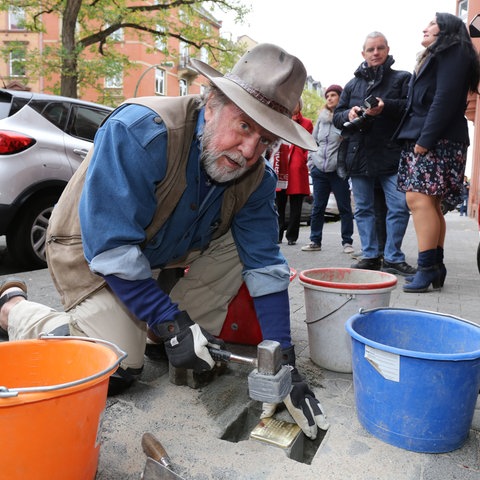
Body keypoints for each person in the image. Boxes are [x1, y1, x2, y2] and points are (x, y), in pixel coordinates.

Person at [0, 43, 329, 440]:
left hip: (162, 254)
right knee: (115, 370)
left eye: (266, 141)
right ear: (211, 103)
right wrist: (172, 324)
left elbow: (264, 262)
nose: (249, 151)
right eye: (244, 126)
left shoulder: (256, 177)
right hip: (91, 250)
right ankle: (13, 308)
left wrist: (285, 362)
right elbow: (113, 247)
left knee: (239, 254)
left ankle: (161, 327)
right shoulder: (141, 130)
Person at [395, 13, 480, 292]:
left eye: (432, 24)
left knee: (418, 199)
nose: (425, 27)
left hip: (437, 139)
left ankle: (427, 267)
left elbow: (444, 99)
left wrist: (425, 140)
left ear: (447, 30)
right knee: (428, 203)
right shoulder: (443, 54)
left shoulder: (454, 51)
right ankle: (434, 266)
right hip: (433, 137)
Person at [333, 31, 416, 277]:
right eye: (371, 49)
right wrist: (348, 114)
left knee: (399, 207)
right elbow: (338, 116)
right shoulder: (351, 84)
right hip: (358, 154)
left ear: (387, 50)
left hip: (391, 153)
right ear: (363, 53)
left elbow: (410, 108)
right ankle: (370, 255)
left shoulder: (402, 78)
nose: (376, 53)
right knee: (363, 209)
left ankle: (392, 257)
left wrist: (384, 106)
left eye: (380, 48)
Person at [301, 84, 354, 253]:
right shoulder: (321, 120)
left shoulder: (346, 118)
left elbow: (350, 142)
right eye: (327, 96)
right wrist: (312, 162)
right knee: (318, 207)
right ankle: (315, 241)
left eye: (333, 95)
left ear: (340, 97)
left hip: (338, 171)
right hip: (319, 171)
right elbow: (312, 142)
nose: (329, 98)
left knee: (344, 207)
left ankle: (347, 242)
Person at [273, 99, 313, 245]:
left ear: (300, 106)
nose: (292, 105)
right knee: (279, 202)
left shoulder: (306, 123)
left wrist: (302, 159)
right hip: (281, 164)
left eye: (296, 102)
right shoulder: (280, 119)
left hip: (296, 167)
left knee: (296, 204)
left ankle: (292, 236)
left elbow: (305, 143)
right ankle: (277, 234)